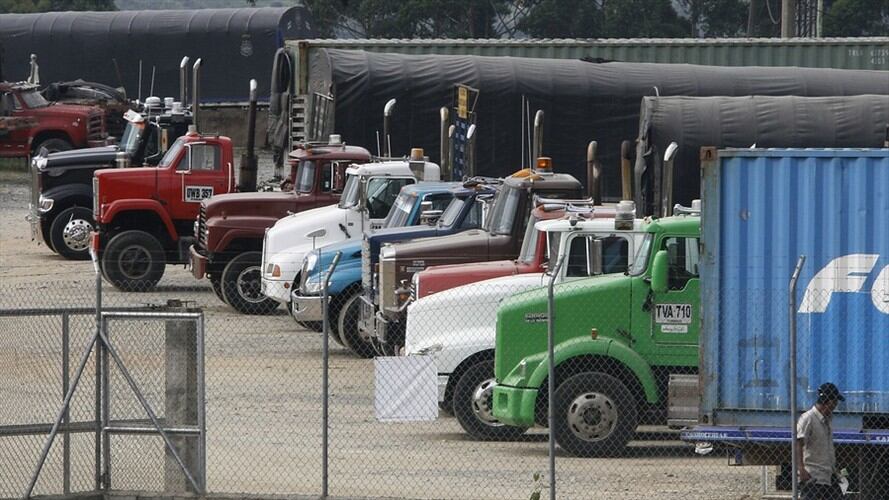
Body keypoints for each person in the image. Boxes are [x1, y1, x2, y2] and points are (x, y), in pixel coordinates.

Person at [796, 382, 845, 500]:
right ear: (829, 402)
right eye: (835, 402)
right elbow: (798, 444)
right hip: (812, 476)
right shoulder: (808, 419)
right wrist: (801, 469)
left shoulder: (827, 420)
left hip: (828, 475)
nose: (835, 406)